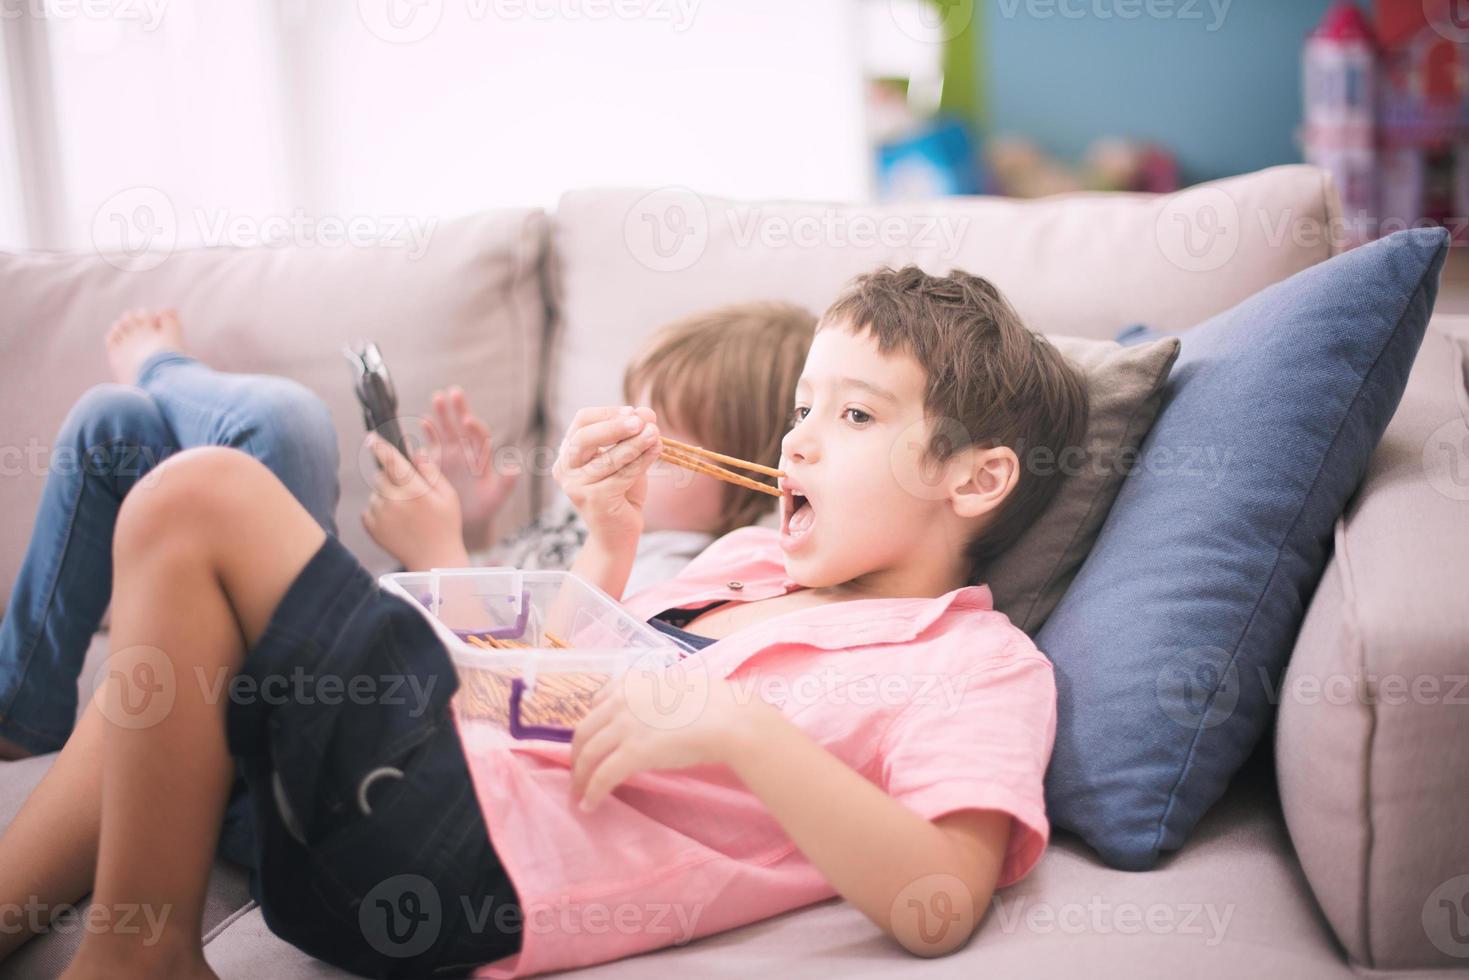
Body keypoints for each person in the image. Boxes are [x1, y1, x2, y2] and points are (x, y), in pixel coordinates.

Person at [0, 266, 1088, 978]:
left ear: (977, 477)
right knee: (191, 659)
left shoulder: (975, 663)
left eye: (852, 415)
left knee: (207, 495)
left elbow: (939, 899)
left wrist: (740, 728)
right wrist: (603, 541)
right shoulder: (748, 560)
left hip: (479, 859)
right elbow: (559, 680)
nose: (797, 442)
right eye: (801, 407)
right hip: (434, 765)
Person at [362, 301, 817, 599]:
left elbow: (521, 660)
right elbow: (499, 584)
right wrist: (469, 527)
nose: (627, 437)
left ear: (747, 480)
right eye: (633, 412)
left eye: (665, 440)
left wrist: (437, 553)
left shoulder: (672, 572)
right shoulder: (589, 502)